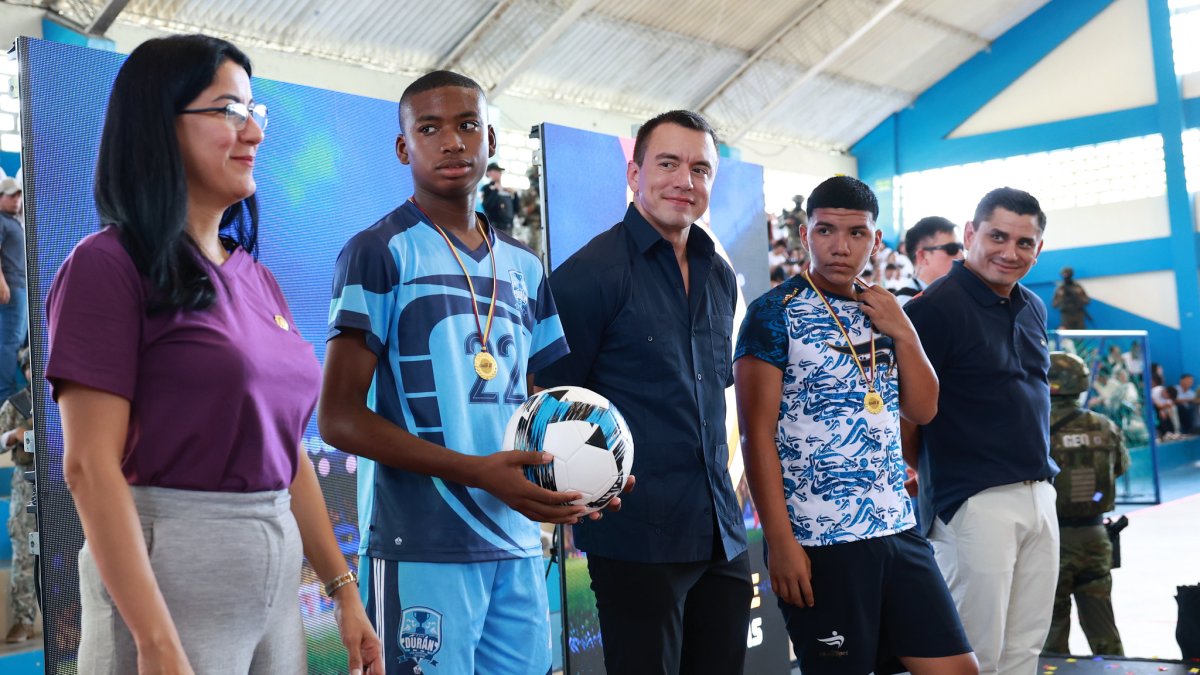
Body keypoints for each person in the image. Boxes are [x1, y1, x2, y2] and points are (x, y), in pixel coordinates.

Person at [46, 34, 381, 673]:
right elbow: (89, 464)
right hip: (168, 585)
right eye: (229, 111)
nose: (253, 132)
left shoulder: (256, 278)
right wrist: (156, 643)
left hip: (273, 580)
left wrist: (343, 591)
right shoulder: (107, 267)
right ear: (159, 126)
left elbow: (288, 456)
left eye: (255, 112)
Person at [318, 70, 603, 675]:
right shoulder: (377, 252)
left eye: (467, 125)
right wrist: (478, 473)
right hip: (420, 542)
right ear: (403, 148)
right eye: (430, 128)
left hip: (518, 541)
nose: (452, 142)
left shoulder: (525, 266)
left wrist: (593, 472)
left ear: (491, 140)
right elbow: (338, 418)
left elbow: (547, 405)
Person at [535, 109, 751, 674]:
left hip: (719, 535)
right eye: (669, 164)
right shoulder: (588, 275)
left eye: (700, 169)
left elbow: (710, 393)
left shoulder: (719, 272)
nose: (686, 180)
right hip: (637, 539)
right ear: (634, 174)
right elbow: (550, 401)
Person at [734, 175, 976, 675]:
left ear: (876, 240)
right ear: (805, 235)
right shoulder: (772, 314)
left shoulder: (885, 310)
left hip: (897, 527)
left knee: (958, 669)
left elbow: (925, 410)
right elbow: (756, 435)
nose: (840, 247)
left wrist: (904, 331)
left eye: (856, 234)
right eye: (825, 231)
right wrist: (779, 542)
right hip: (822, 542)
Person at [904, 187, 1060, 675]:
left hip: (1039, 493)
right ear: (970, 234)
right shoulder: (932, 309)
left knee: (1024, 651)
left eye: (1024, 243)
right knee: (975, 656)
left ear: (1039, 249)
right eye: (997, 236)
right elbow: (906, 416)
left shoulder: (1032, 306)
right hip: (973, 500)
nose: (1009, 253)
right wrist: (933, 481)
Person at [1042, 352, 1128, 657]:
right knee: (1104, 627)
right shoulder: (1103, 425)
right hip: (1095, 538)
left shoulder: (1033, 426)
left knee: (1050, 631)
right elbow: (1118, 468)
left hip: (1051, 540)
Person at [3, 348, 35, 643]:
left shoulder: (59, 399)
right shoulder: (17, 403)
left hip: (58, 484)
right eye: (28, 367)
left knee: (64, 553)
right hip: (26, 484)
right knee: (24, 554)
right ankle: (24, 621)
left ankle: (66, 621)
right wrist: (13, 435)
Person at [893, 216, 962, 307]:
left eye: (961, 247)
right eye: (952, 249)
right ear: (922, 257)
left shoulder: (959, 296)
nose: (961, 256)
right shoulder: (902, 306)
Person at [0, 177, 27, 401]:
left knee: (20, 341)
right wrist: (2, 283)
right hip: (12, 287)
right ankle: (5, 395)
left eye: (19, 195)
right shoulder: (1, 221)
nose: (16, 199)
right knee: (10, 341)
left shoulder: (14, 221)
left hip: (21, 287)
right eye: (11, 195)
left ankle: (18, 392)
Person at [481, 162, 519, 234]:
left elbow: (516, 209)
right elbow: (487, 206)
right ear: (488, 173)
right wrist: (495, 190)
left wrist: (515, 194)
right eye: (494, 171)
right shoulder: (486, 189)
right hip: (493, 227)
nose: (498, 173)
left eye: (499, 171)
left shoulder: (507, 190)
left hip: (508, 227)